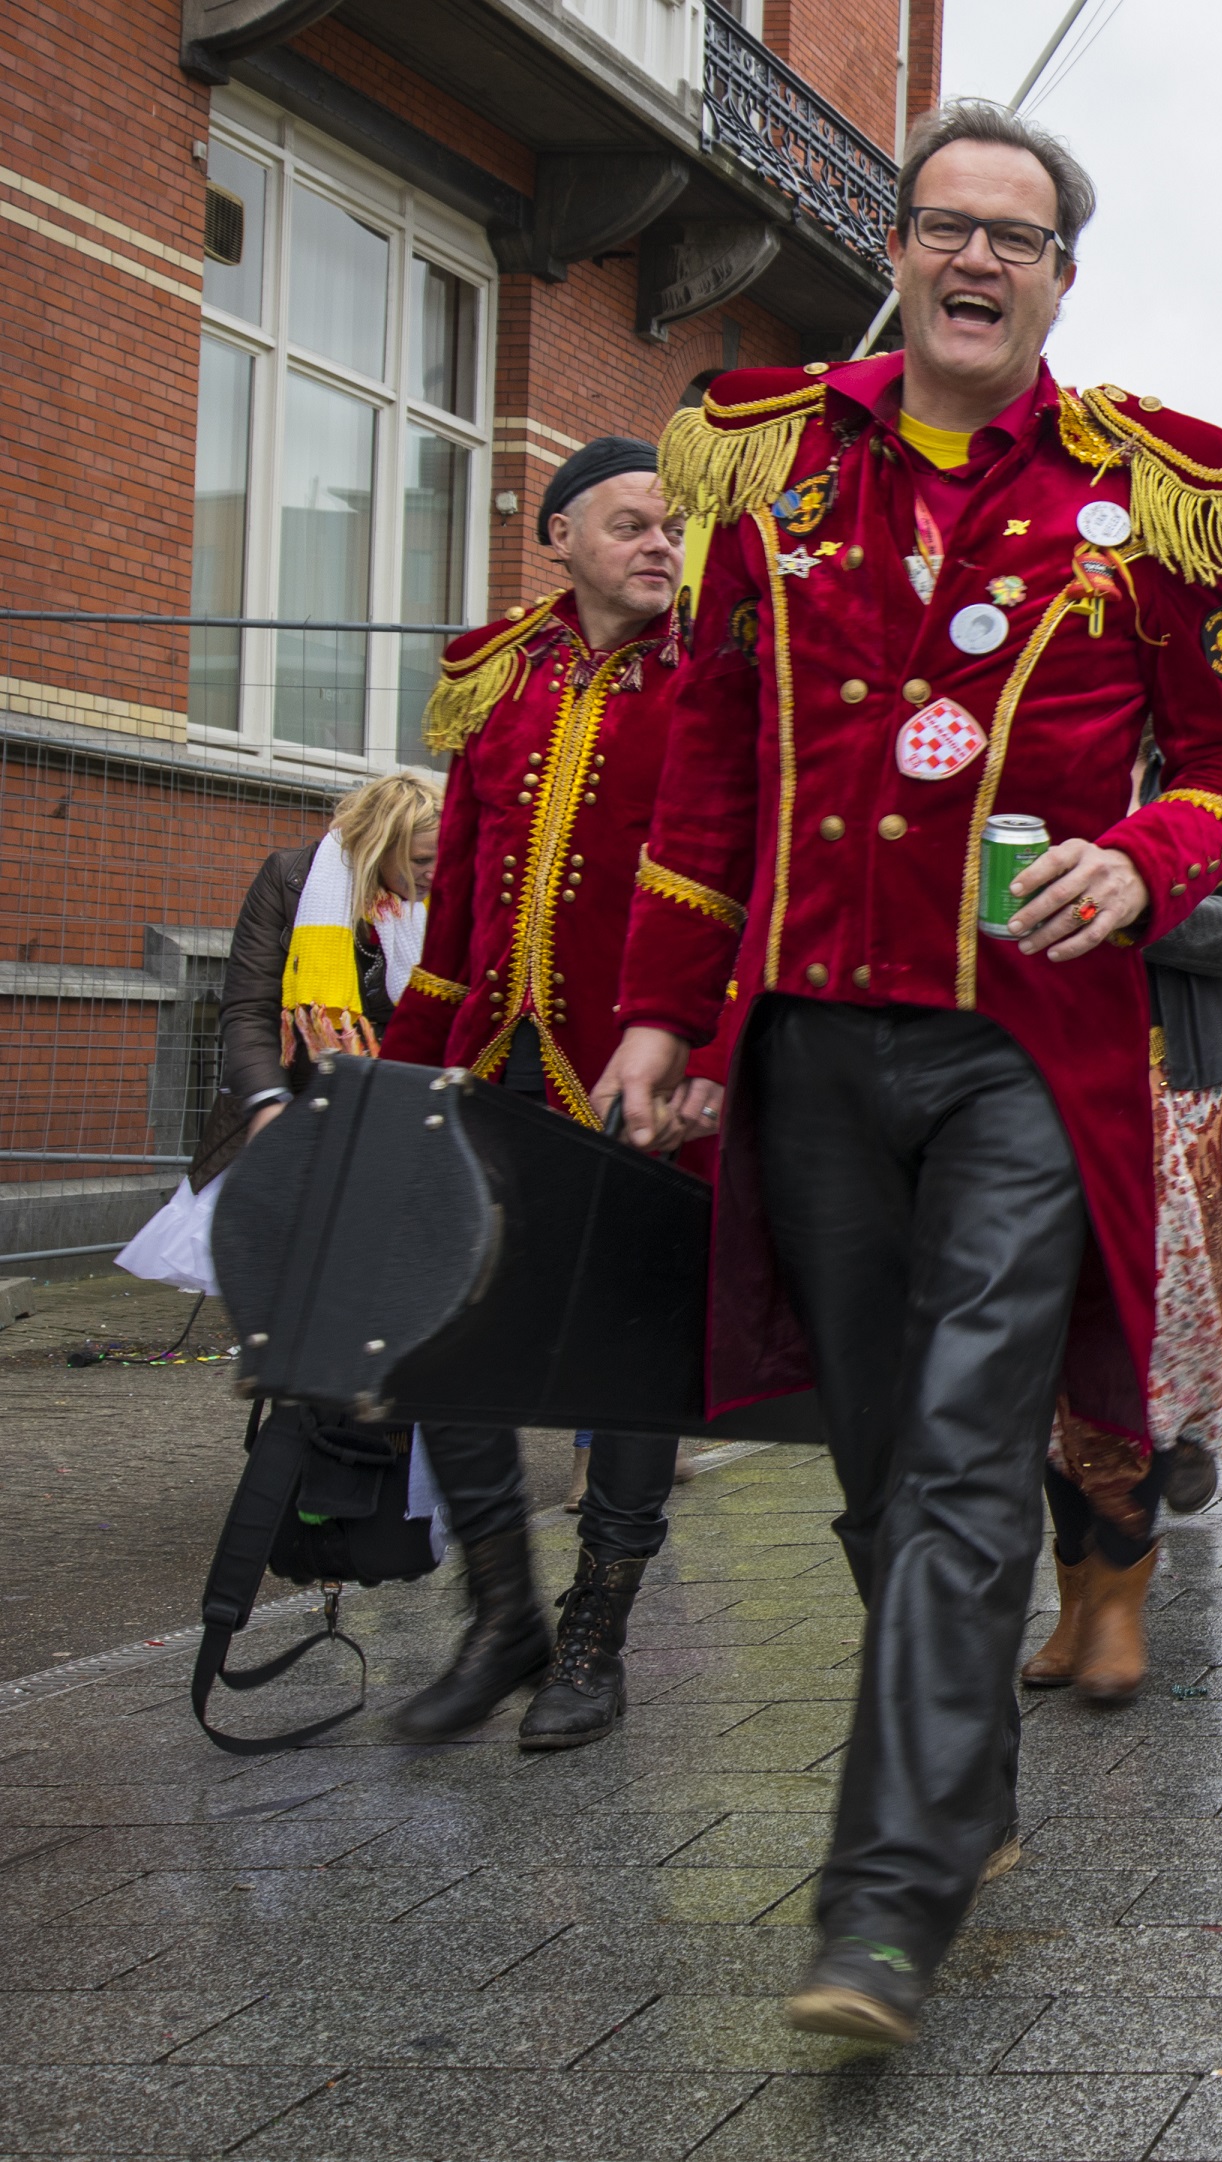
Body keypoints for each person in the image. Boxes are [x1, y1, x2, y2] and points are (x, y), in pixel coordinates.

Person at [599, 99, 1222, 2045]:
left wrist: (1141, 860)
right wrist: (660, 1008)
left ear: (1063, 279)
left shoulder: (1154, 498)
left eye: (1020, 237)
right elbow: (711, 762)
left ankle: (881, 1905)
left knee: (977, 1449)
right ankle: (956, 1761)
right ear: (892, 251)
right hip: (809, 1038)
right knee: (888, 1461)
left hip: (1027, 1055)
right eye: (946, 226)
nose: (978, 259)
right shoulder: (760, 462)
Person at [376, 437, 717, 1751]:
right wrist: (402, 1073)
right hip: (489, 1056)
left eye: (671, 529)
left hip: (645, 1067)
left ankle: (594, 1634)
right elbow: (453, 908)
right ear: (558, 534)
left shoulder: (714, 677)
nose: (656, 544)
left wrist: (711, 1055)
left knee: (631, 1365)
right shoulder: (493, 681)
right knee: (436, 1335)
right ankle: (501, 1611)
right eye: (629, 522)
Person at [1024, 834, 1222, 1701]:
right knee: (1038, 1361)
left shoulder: (1204, 790)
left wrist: (1130, 905)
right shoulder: (1021, 757)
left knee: (1139, 1354)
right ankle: (1072, 1581)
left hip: (1176, 1095)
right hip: (1025, 1084)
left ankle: (1117, 1589)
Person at [188, 769, 440, 1196]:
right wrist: (268, 1102)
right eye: (420, 861)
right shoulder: (289, 881)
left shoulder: (440, 904)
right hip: (292, 1104)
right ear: (377, 847)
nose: (436, 874)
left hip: (389, 1120)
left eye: (442, 857)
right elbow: (249, 1008)